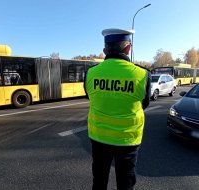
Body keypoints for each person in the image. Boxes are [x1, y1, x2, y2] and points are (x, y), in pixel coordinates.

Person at [84, 28, 151, 190]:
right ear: (128, 48)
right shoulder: (142, 74)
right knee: (125, 184)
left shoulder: (91, 73)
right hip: (128, 139)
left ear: (105, 50)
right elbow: (145, 103)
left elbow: (90, 97)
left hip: (99, 137)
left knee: (99, 182)